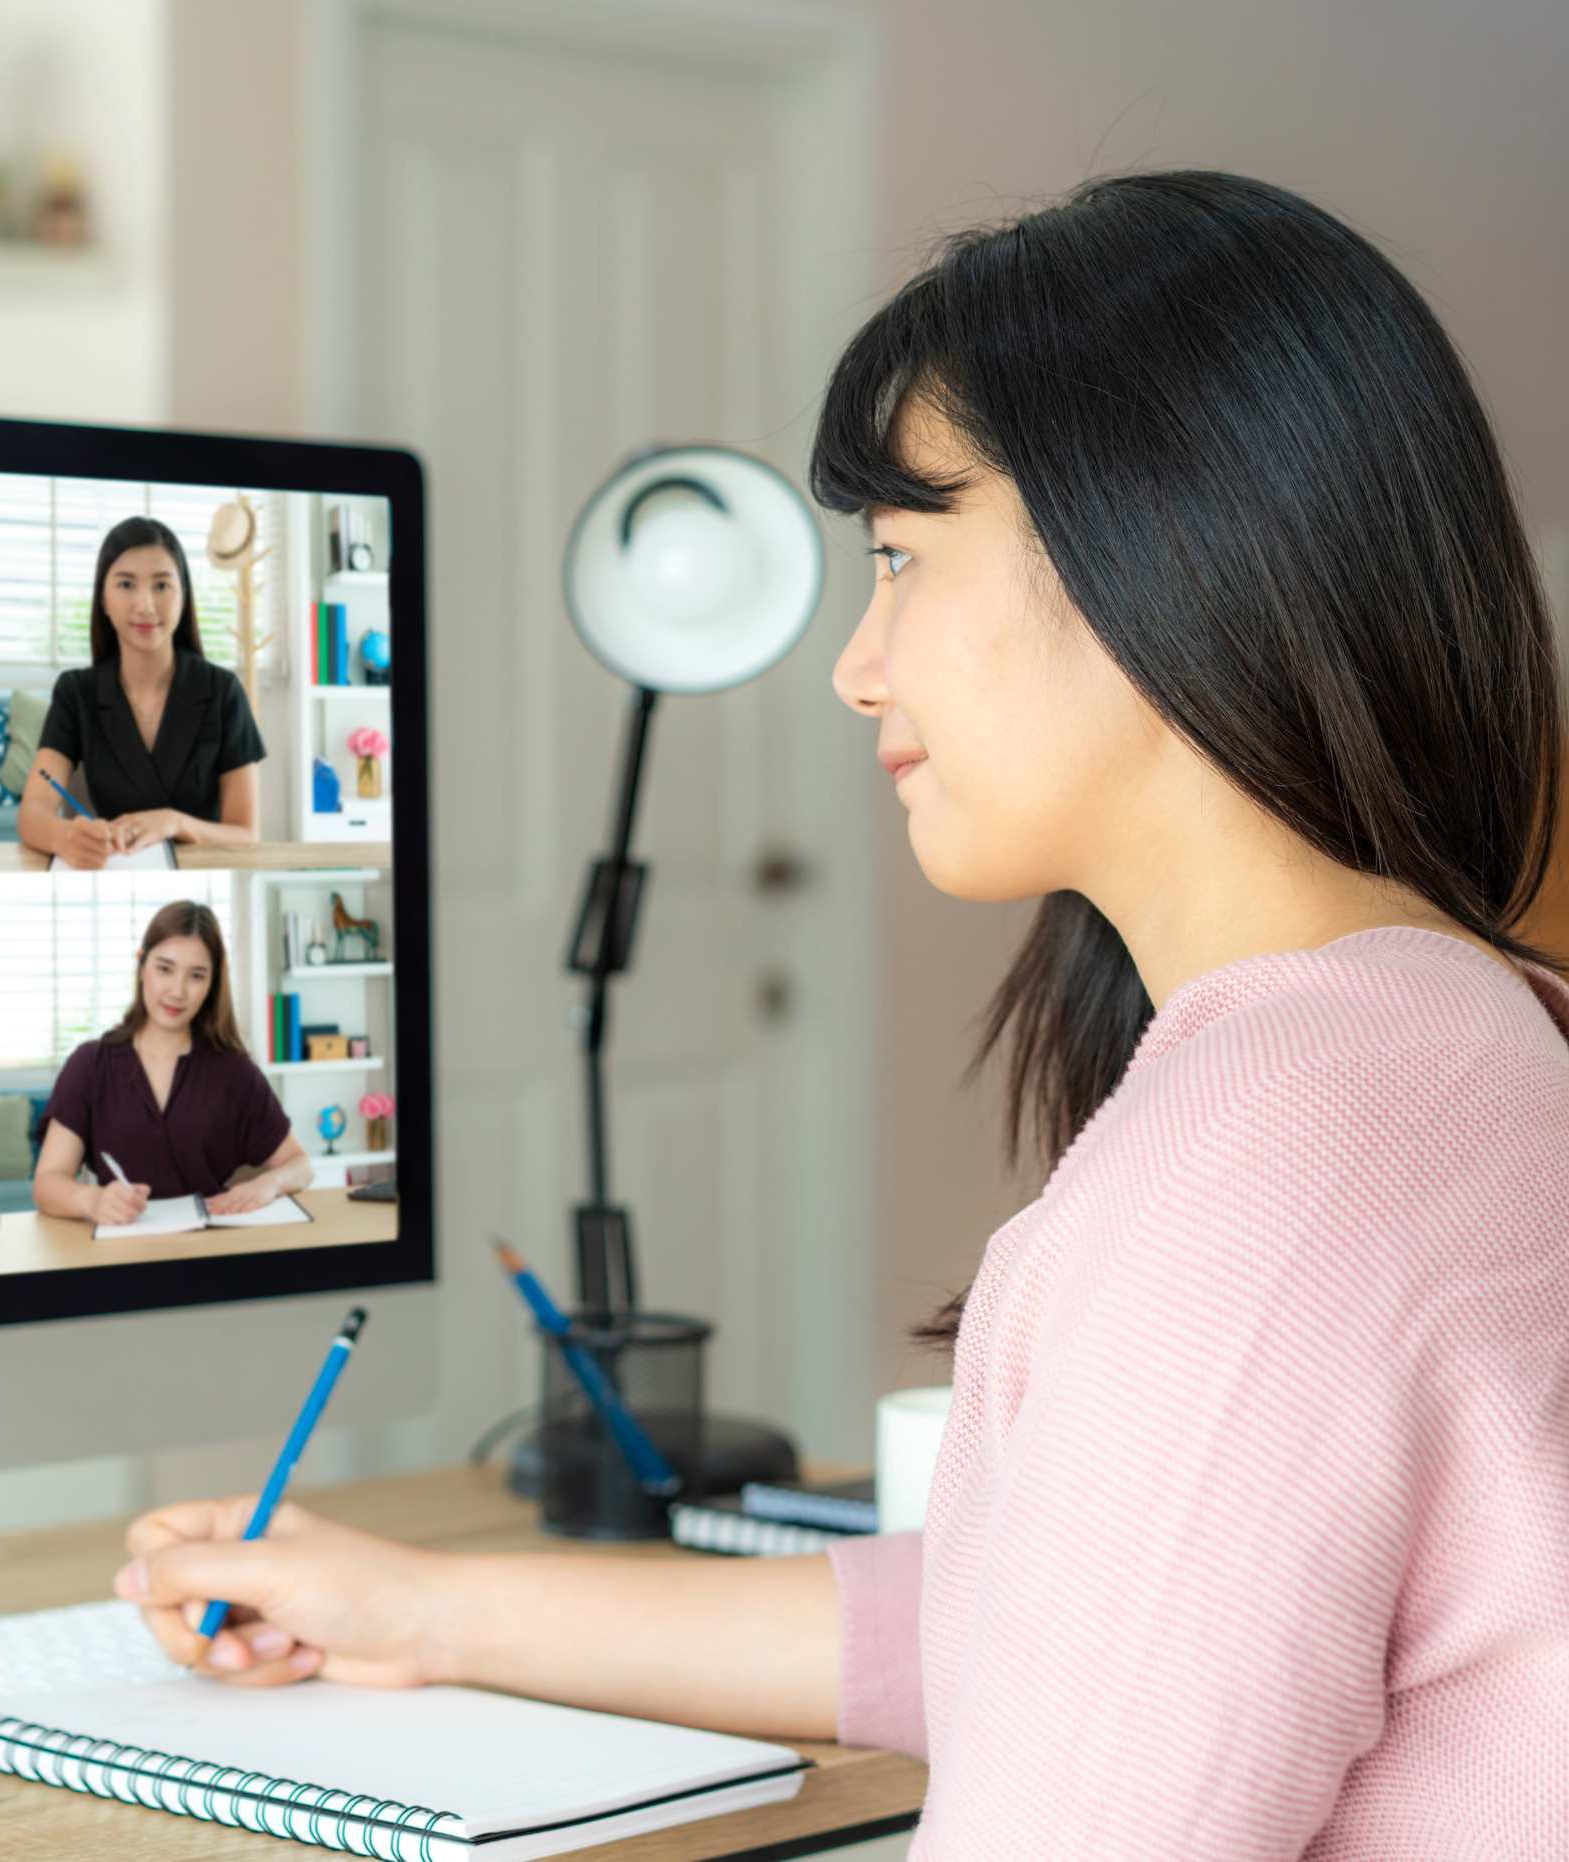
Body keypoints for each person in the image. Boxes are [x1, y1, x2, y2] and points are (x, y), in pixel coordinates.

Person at [108, 173, 1569, 1856]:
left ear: (1154, 546)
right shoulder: (1465, 1032)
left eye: (900, 561)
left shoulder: (1264, 1162)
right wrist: (424, 1611)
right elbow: (1033, 1619)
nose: (855, 664)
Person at [34, 900, 312, 1223]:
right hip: (121, 1256)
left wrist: (270, 1183)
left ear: (211, 984)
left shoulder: (235, 1072)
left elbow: (301, 1164)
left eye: (196, 975)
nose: (177, 991)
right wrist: (92, 1200)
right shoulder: (91, 1065)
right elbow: (47, 1183)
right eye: (164, 969)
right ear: (142, 966)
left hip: (209, 1254)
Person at [18, 517, 264, 869]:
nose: (145, 605)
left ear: (183, 596)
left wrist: (174, 822)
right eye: (126, 584)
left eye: (162, 586)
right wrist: (65, 835)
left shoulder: (223, 692)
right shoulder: (76, 693)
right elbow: (32, 811)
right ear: (103, 598)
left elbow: (246, 834)